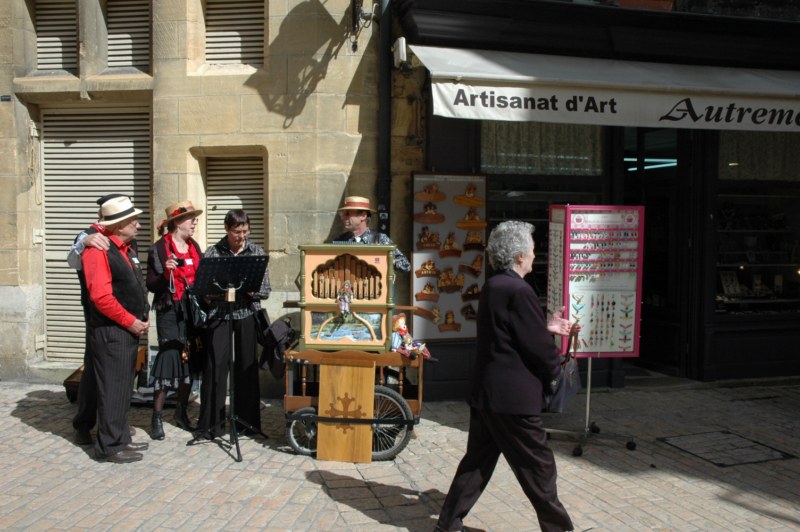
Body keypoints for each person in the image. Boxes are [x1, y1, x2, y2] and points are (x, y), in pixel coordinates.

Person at [435, 220, 578, 532]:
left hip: (489, 392)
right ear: (517, 257)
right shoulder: (518, 289)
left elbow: (511, 334)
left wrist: (546, 327)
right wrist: (557, 368)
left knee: (477, 463)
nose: (534, 255)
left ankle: (448, 524)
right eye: (531, 249)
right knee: (538, 467)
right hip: (512, 398)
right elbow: (537, 348)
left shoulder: (495, 284)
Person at [82, 196, 151, 463]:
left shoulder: (124, 246)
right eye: (132, 220)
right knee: (112, 388)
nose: (138, 224)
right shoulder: (98, 250)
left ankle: (120, 437)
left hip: (125, 330)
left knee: (122, 387)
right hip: (112, 331)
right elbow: (101, 298)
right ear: (118, 225)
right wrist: (130, 321)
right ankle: (109, 446)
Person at [194, 209, 271, 439]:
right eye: (237, 232)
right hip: (220, 315)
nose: (242, 237)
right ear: (227, 229)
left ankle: (247, 423)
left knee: (247, 367)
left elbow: (266, 290)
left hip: (245, 313)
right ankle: (211, 425)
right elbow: (202, 289)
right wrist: (217, 290)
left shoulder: (256, 251)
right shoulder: (213, 252)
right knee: (215, 367)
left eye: (245, 231)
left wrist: (251, 290)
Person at [69, 193, 137, 446]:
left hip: (122, 316)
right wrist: (86, 239)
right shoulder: (90, 237)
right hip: (100, 315)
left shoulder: (125, 240)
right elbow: (73, 256)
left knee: (116, 379)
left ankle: (115, 427)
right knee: (95, 372)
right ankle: (85, 424)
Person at [146, 200, 204, 440]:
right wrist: (166, 272)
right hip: (169, 309)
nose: (195, 222)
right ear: (178, 222)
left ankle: (181, 411)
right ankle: (157, 416)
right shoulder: (159, 248)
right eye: (191, 219)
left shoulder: (194, 247)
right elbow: (151, 284)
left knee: (189, 357)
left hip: (191, 309)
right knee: (170, 355)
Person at [333, 195, 411, 273]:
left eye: (347, 214)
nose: (343, 217)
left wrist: (386, 260)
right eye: (342, 214)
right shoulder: (340, 240)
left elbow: (406, 265)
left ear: (363, 216)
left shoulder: (380, 239)